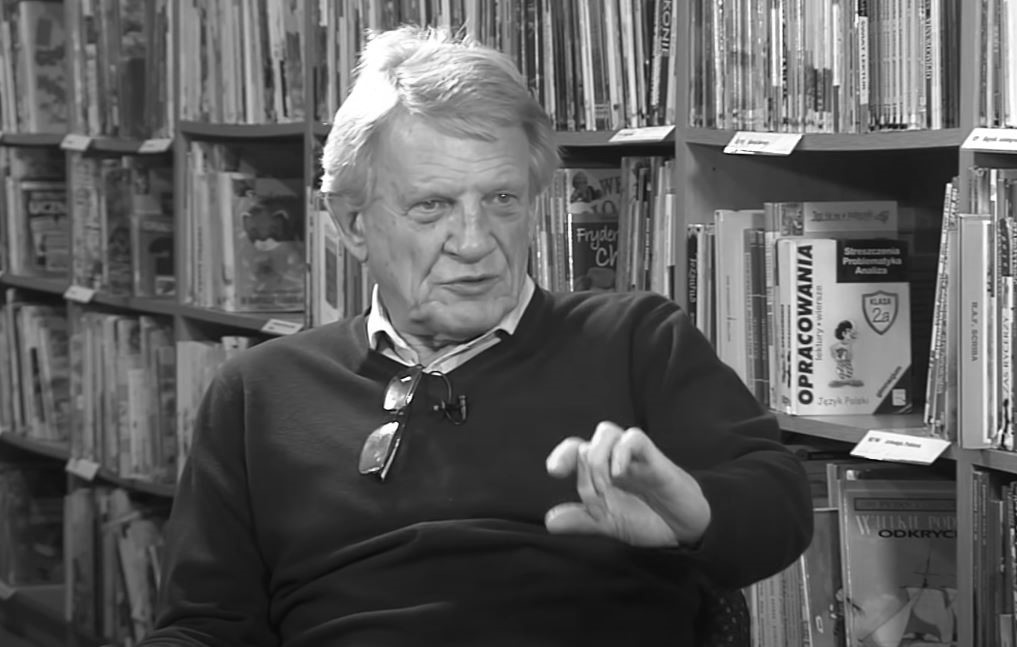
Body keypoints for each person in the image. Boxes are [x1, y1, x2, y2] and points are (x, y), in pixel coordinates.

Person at [141, 26, 812, 647]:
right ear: (350, 225)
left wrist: (693, 514)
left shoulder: (636, 340)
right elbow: (205, 626)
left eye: (501, 199)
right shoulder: (260, 390)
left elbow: (778, 503)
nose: (473, 241)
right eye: (431, 206)